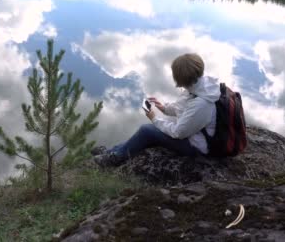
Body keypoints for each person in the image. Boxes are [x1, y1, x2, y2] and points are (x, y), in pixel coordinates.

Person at [93, 53, 221, 167]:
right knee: (149, 132)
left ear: (181, 78)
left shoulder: (202, 104)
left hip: (197, 147)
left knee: (147, 130)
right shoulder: (199, 85)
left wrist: (154, 118)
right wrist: (164, 108)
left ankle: (116, 158)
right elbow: (183, 107)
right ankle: (111, 151)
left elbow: (179, 133)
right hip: (192, 134)